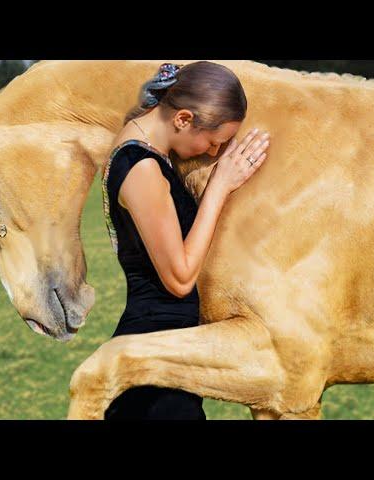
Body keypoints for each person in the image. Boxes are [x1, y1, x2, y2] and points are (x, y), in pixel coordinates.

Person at [102, 61, 270, 420]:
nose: (213, 152)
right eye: (213, 141)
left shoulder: (144, 150)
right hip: (156, 368)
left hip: (166, 351)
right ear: (182, 119)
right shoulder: (142, 168)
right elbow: (178, 279)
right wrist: (219, 186)